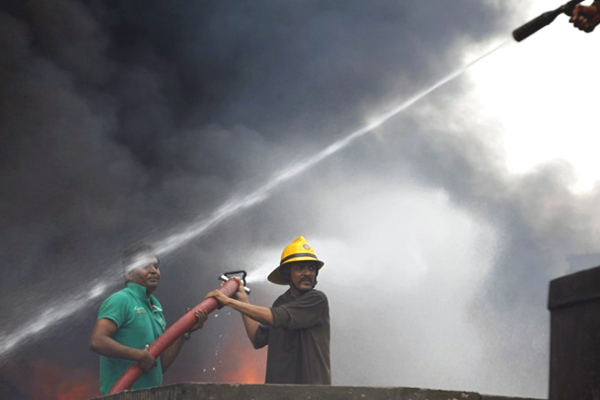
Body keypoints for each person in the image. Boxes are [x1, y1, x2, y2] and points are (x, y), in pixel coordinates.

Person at [207, 236, 330, 385]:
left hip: (310, 394)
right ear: (286, 274)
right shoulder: (281, 303)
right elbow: (257, 338)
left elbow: (277, 317)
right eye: (300, 268)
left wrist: (228, 301)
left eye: (311, 268)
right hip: (276, 394)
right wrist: (242, 298)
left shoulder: (316, 300)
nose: (308, 273)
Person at [89, 244, 207, 394]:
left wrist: (184, 333)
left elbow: (157, 366)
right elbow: (97, 341)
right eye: (145, 266)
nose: (153, 270)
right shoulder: (121, 300)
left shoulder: (156, 310)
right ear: (128, 274)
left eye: (156, 266)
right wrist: (138, 355)